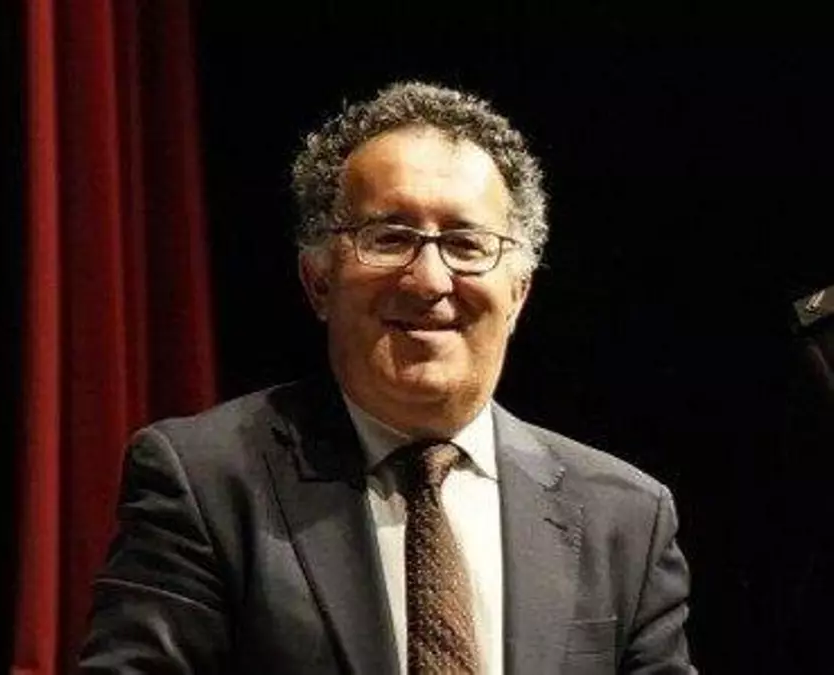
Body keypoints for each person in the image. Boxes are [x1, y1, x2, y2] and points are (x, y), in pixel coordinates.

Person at [79, 81, 695, 674]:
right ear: (318, 281)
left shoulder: (626, 518)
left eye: (467, 244)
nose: (429, 280)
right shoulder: (205, 483)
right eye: (390, 238)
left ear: (518, 292)